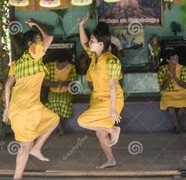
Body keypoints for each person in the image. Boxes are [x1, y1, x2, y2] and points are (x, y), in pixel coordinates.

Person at [3, 18, 59, 180]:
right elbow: (49, 37)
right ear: (31, 45)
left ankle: (37, 148)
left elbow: (7, 86)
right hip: (27, 109)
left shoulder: (17, 63)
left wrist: (7, 109)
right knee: (25, 146)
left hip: (22, 107)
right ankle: (17, 177)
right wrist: (36, 23)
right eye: (38, 41)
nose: (42, 44)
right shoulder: (34, 53)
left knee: (54, 119)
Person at [78, 12, 123, 169]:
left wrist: (112, 109)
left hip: (112, 100)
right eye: (91, 40)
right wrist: (80, 26)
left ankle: (113, 129)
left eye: (92, 41)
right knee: (99, 133)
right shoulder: (94, 55)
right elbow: (84, 42)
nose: (90, 43)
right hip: (96, 98)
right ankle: (111, 160)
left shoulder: (111, 61)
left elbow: (112, 86)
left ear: (101, 45)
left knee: (82, 121)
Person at [157, 51, 186, 134]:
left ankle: (176, 126)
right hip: (167, 93)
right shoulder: (162, 69)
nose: (177, 60)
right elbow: (162, 87)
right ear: (168, 60)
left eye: (177, 58)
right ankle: (178, 127)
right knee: (171, 109)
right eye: (174, 58)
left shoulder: (182, 68)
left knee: (182, 107)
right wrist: (168, 79)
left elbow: (185, 85)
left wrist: (175, 77)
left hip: (181, 93)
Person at [44, 56, 77, 135]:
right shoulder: (49, 66)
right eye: (60, 64)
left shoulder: (71, 67)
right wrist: (57, 84)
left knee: (64, 101)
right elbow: (45, 83)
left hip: (66, 92)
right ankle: (59, 125)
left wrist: (62, 83)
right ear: (56, 62)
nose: (62, 66)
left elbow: (72, 83)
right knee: (53, 102)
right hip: (53, 92)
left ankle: (58, 124)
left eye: (65, 64)